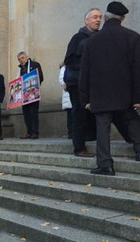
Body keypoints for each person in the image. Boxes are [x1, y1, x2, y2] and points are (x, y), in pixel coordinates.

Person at [79, 1, 140, 176]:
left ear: (105, 17)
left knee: (102, 129)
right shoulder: (133, 37)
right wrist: (137, 98)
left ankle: (105, 164)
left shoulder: (91, 41)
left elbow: (85, 74)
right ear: (122, 19)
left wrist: (86, 99)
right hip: (125, 94)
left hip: (100, 95)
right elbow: (137, 70)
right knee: (132, 122)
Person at [63, 8, 102, 157]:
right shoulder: (77, 38)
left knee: (93, 112)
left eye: (99, 17)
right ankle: (79, 148)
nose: (98, 20)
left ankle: (91, 138)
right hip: (77, 82)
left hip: (94, 83)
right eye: (94, 17)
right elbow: (69, 60)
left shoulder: (101, 38)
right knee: (79, 114)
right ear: (86, 21)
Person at [17, 51, 44, 139]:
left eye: (22, 58)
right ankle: (29, 132)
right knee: (26, 114)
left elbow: (40, 77)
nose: (21, 60)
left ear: (27, 57)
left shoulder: (35, 64)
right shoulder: (20, 69)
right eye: (19, 59)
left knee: (33, 113)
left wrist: (33, 87)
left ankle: (35, 132)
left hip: (33, 93)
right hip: (24, 95)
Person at [58, 63, 73, 139]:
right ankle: (70, 133)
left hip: (74, 95)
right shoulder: (64, 68)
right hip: (68, 95)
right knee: (70, 116)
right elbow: (61, 79)